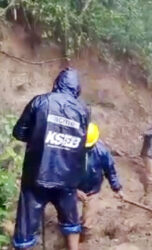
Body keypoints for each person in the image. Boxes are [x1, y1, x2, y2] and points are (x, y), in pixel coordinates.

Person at [12, 68, 89, 250]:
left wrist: (40, 138)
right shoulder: (83, 111)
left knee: (25, 228)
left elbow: (19, 132)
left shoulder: (40, 101)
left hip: (37, 175)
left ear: (56, 83)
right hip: (67, 179)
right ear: (77, 89)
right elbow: (81, 144)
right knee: (71, 223)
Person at [77, 123, 123, 241]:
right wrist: (74, 190)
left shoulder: (101, 151)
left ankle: (83, 241)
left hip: (92, 190)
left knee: (87, 221)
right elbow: (62, 171)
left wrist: (117, 188)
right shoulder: (70, 150)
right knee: (69, 220)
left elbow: (110, 171)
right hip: (72, 189)